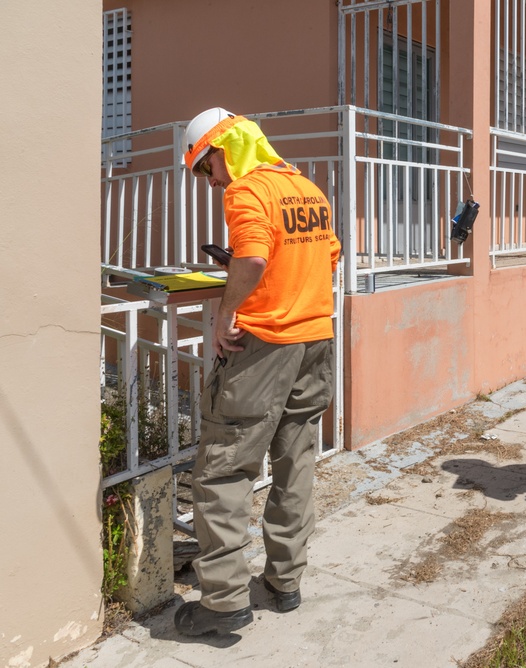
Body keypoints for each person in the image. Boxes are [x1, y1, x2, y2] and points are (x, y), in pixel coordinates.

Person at [174, 108, 342, 636]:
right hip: (316, 339)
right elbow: (327, 257)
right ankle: (284, 583)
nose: (211, 180)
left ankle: (222, 603)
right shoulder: (306, 188)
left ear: (226, 149)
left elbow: (252, 258)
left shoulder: (245, 191)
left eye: (207, 168)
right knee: (296, 464)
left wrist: (228, 311)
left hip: (265, 344)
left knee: (224, 469)